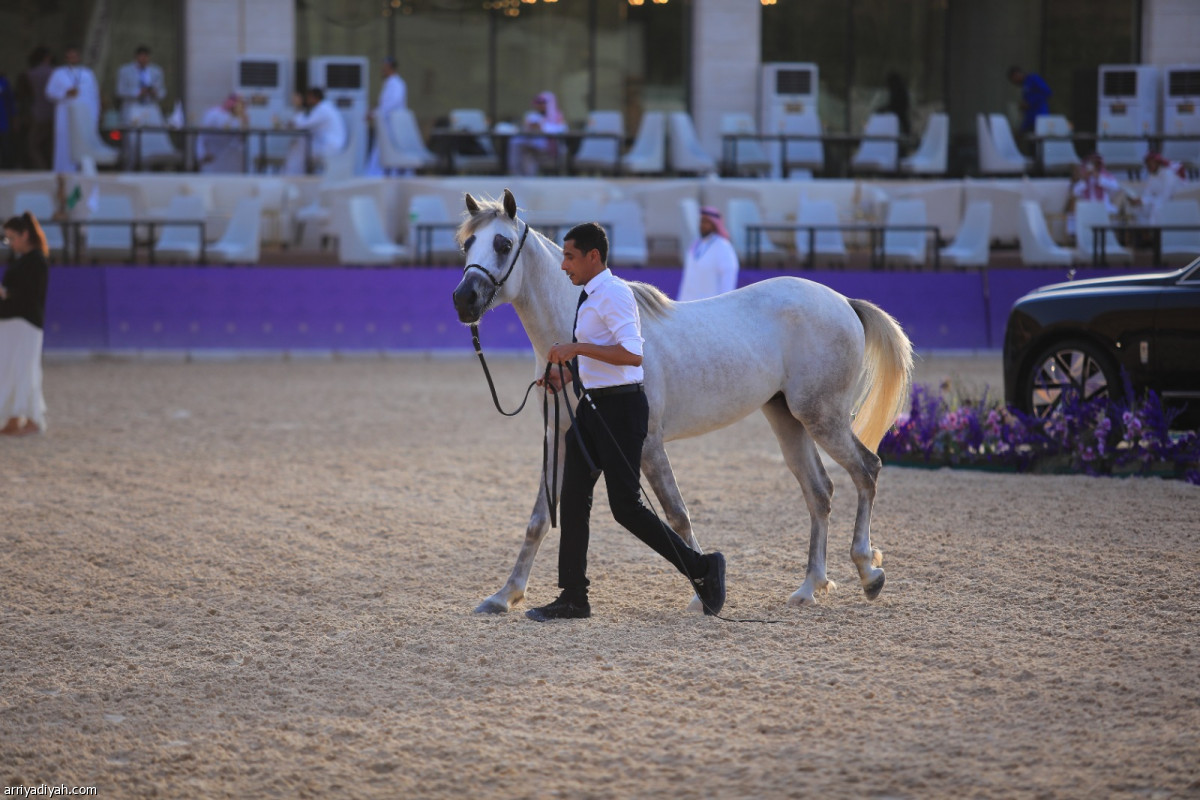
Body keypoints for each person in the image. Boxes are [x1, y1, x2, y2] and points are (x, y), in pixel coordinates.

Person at [526, 222, 727, 621]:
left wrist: (575, 348)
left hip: (621, 412)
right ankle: (573, 597)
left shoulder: (614, 294)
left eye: (569, 257)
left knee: (627, 508)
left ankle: (703, 568)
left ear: (593, 257)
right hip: (594, 407)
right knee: (573, 495)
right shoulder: (589, 295)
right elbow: (602, 359)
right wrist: (567, 374)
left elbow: (633, 355)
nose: (564, 265)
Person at [0, 212, 50, 436]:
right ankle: (12, 418)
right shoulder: (22, 261)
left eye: (12, 237)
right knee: (9, 371)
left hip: (26, 322)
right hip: (11, 321)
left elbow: (32, 295)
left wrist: (7, 293)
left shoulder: (37, 260)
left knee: (26, 370)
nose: (9, 243)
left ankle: (33, 420)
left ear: (25, 234)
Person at [44, 46, 101, 173]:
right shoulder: (58, 73)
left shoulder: (88, 73)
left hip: (85, 116)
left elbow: (95, 97)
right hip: (65, 115)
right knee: (65, 144)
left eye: (75, 55)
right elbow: (49, 93)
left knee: (85, 144)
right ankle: (63, 172)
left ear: (79, 57)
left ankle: (86, 172)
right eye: (70, 56)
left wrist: (95, 117)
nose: (73, 58)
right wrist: (65, 93)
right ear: (66, 58)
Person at [677, 206, 739, 302]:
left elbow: (728, 275)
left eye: (706, 222)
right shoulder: (696, 244)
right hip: (689, 303)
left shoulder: (723, 246)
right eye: (701, 221)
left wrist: (725, 302)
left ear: (714, 224)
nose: (702, 225)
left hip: (711, 305)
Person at [284, 87, 346, 175]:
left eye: (308, 97)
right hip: (327, 143)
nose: (307, 100)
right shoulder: (323, 107)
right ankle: (293, 173)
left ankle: (293, 174)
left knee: (300, 143)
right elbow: (302, 123)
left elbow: (301, 124)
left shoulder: (323, 109)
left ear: (314, 98)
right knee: (299, 142)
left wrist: (298, 106)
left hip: (330, 146)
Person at [365, 57, 408, 176]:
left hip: (393, 124)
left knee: (391, 150)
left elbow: (392, 103)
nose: (382, 70)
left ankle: (390, 175)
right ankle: (379, 175)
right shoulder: (389, 83)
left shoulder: (397, 83)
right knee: (382, 151)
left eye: (385, 68)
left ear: (390, 68)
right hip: (386, 123)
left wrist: (374, 113)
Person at [508, 91, 567, 176]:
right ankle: (515, 173)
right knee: (515, 142)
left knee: (526, 150)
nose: (540, 105)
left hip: (549, 146)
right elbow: (525, 128)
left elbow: (562, 129)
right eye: (538, 103)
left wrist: (542, 126)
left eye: (543, 103)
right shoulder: (532, 115)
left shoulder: (557, 115)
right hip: (531, 143)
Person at [16, 47, 54, 170]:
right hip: (53, 114)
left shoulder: (28, 74)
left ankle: (42, 169)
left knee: (32, 145)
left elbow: (23, 96)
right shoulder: (55, 72)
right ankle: (48, 169)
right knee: (48, 145)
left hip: (37, 114)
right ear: (47, 58)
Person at [1068, 152, 1122, 237]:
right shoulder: (1083, 178)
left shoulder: (1105, 176)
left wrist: (1098, 178)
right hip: (1087, 207)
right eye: (1091, 164)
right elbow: (1075, 191)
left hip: (1103, 207)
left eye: (1095, 164)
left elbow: (1115, 187)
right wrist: (1085, 179)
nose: (1093, 166)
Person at [1130, 152, 1187, 224]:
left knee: (1156, 208)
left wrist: (1144, 201)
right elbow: (1147, 193)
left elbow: (1165, 197)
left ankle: (1155, 233)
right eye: (1147, 164)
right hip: (1160, 201)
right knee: (1137, 208)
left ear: (1158, 163)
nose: (1149, 166)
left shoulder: (1168, 174)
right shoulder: (1152, 176)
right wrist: (1140, 201)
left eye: (1151, 163)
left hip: (1174, 202)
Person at [197, 93, 248, 173]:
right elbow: (202, 136)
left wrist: (244, 121)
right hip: (212, 155)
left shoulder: (237, 119)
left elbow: (239, 140)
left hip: (229, 159)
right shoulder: (212, 113)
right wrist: (202, 153)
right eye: (233, 101)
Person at [115, 45, 166, 124]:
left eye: (146, 56)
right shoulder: (125, 70)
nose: (143, 59)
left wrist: (155, 93)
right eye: (141, 56)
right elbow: (120, 91)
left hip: (151, 107)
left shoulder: (156, 71)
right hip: (133, 107)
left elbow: (162, 91)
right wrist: (138, 92)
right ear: (136, 56)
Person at [1007, 65, 1052, 135]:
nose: (1015, 82)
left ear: (1017, 74)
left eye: (1014, 79)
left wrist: (1029, 103)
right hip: (1030, 120)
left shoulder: (1033, 79)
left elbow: (1047, 92)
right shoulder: (1025, 85)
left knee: (1038, 143)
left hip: (1040, 118)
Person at [878, 71, 910, 138]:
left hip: (899, 117)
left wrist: (884, 109)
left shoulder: (897, 90)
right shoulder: (899, 89)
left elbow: (895, 105)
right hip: (900, 117)